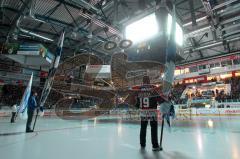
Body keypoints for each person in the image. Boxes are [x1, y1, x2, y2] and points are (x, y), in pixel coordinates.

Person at [135, 76, 164, 151]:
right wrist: (165, 99)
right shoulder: (153, 89)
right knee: (153, 128)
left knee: (143, 128)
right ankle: (155, 146)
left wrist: (139, 106)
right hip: (152, 112)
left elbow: (137, 104)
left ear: (143, 81)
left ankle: (142, 144)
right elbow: (160, 99)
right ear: (149, 80)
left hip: (143, 112)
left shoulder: (139, 90)